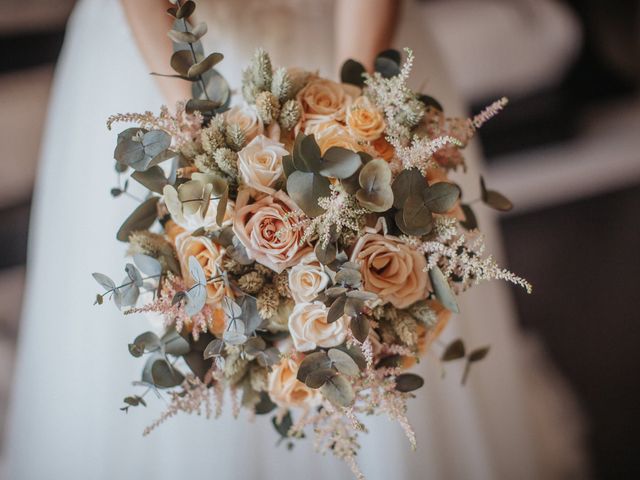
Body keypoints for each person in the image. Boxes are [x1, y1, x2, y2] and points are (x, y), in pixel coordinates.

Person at [4, 1, 586, 478]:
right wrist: (210, 150)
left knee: (395, 290)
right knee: (172, 312)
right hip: (164, 53)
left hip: (352, 40)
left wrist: (359, 131)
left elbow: (361, 120)